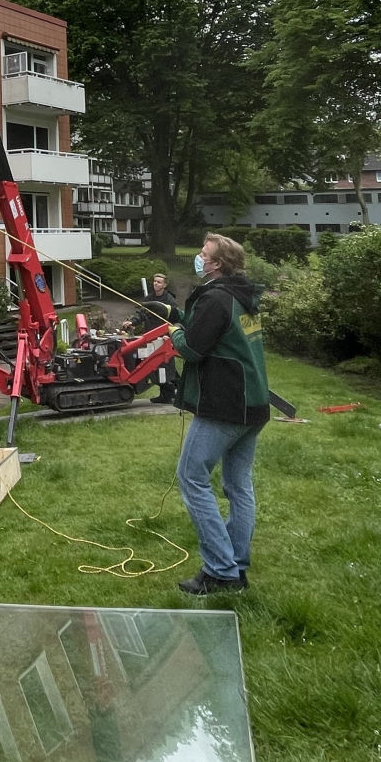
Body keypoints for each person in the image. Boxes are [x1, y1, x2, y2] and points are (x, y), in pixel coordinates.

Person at [170, 233, 268, 596]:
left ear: (216, 264)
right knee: (238, 486)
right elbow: (215, 332)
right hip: (253, 405)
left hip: (224, 406)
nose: (199, 257)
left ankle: (220, 571)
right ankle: (235, 567)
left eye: (203, 253)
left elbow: (193, 348)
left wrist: (174, 333)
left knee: (192, 478)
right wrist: (180, 317)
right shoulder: (242, 296)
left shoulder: (215, 298)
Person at [136, 272, 179, 404]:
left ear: (164, 285)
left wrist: (169, 335)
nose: (156, 283)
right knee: (154, 366)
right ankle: (165, 394)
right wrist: (131, 322)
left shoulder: (170, 300)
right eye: (155, 281)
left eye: (159, 282)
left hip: (164, 338)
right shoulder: (149, 298)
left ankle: (173, 393)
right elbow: (141, 313)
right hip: (150, 338)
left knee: (166, 367)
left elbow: (175, 319)